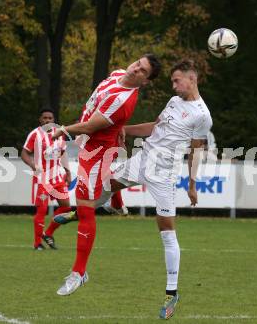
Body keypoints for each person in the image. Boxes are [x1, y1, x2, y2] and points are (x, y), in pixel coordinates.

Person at [58, 59, 213, 319]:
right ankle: (83, 212)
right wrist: (125, 130)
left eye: (177, 81)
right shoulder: (174, 103)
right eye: (172, 81)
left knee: (166, 230)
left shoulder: (202, 115)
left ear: (192, 79)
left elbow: (196, 150)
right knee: (101, 187)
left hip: (164, 174)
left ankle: (171, 292)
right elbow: (156, 127)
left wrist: (193, 184)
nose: (174, 86)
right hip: (141, 161)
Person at [50, 54, 161, 296]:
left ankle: (79, 273)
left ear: (146, 81)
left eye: (142, 71)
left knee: (86, 208)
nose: (135, 69)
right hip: (90, 145)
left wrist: (64, 130)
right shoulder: (118, 74)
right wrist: (116, 129)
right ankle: (115, 205)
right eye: (137, 64)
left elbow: (91, 126)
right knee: (102, 188)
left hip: (96, 154)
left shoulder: (124, 101)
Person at [21, 109, 72, 250]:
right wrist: (32, 165)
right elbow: (24, 153)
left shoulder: (59, 133)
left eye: (50, 118)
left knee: (66, 207)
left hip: (57, 178)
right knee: (42, 210)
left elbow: (63, 153)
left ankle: (48, 233)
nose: (47, 120)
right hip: (42, 179)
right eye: (45, 118)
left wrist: (67, 172)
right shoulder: (35, 134)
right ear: (40, 119)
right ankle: (37, 243)